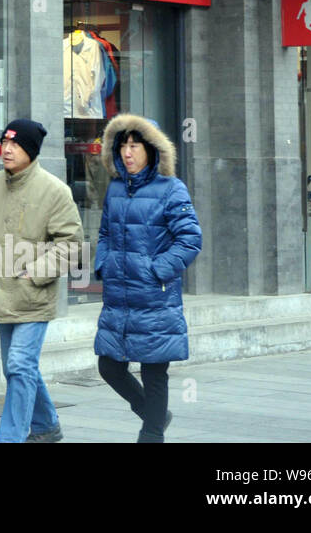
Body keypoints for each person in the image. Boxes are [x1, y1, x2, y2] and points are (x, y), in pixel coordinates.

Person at [0, 119, 82, 443]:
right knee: (18, 368)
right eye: (4, 141)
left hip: (33, 296)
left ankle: (11, 438)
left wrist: (35, 272)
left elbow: (72, 244)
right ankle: (47, 426)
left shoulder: (54, 191)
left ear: (31, 151)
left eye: (15, 144)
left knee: (19, 364)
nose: (6, 149)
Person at [93, 113, 202, 442]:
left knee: (155, 372)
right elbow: (104, 233)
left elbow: (190, 240)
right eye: (123, 146)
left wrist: (156, 270)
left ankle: (151, 433)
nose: (128, 153)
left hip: (155, 298)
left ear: (152, 149)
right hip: (120, 298)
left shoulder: (171, 189)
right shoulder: (115, 188)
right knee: (109, 367)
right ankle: (156, 415)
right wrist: (104, 263)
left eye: (135, 146)